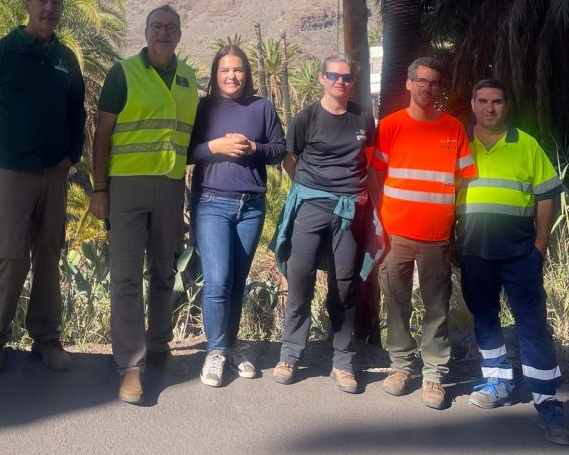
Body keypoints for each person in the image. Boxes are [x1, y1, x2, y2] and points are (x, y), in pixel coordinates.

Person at [0, 0, 86, 374]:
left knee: (49, 255)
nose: (49, 8)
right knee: (7, 255)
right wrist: (2, 152)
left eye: (56, 1)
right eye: (42, 0)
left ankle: (47, 340)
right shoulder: (2, 51)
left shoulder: (66, 59)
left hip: (54, 174)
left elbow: (77, 115)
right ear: (28, 4)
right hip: (12, 172)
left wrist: (71, 157)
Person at [89, 6, 199, 404]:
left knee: (164, 271)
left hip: (170, 187)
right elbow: (102, 133)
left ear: (180, 34)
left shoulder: (188, 78)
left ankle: (158, 348)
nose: (164, 33)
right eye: (157, 26)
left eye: (172, 27)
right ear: (146, 31)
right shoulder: (123, 72)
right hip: (127, 187)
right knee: (126, 277)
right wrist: (99, 188)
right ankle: (130, 367)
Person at [457, 79, 569, 445]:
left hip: (520, 255)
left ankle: (548, 400)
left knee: (533, 325)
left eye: (498, 102)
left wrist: (540, 245)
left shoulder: (526, 144)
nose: (490, 108)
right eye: (483, 101)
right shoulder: (460, 144)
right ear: (473, 104)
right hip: (475, 253)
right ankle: (498, 382)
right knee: (485, 319)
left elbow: (547, 195)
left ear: (507, 106)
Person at [372, 57, 476, 409]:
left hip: (436, 237)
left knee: (436, 307)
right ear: (408, 83)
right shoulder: (389, 126)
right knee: (397, 303)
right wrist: (379, 222)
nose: (427, 87)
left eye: (434, 82)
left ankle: (434, 374)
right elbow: (376, 175)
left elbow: (464, 182)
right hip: (395, 235)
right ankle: (400, 367)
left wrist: (453, 224)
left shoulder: (453, 129)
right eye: (421, 81)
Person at [270, 54, 375, 394]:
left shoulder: (363, 116)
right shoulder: (307, 118)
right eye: (333, 76)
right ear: (321, 78)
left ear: (352, 82)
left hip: (350, 212)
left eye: (346, 77)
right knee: (299, 279)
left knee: (344, 285)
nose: (340, 82)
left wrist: (373, 207)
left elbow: (370, 160)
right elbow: (290, 156)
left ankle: (343, 362)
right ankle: (289, 355)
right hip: (311, 208)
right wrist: (305, 187)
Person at [189, 45, 286, 387]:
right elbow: (188, 150)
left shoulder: (261, 108)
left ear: (247, 74)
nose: (232, 76)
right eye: (225, 70)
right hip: (211, 203)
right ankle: (214, 352)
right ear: (215, 75)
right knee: (217, 279)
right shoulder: (203, 108)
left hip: (251, 206)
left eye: (238, 70)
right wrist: (215, 147)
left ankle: (228, 348)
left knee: (236, 283)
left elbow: (279, 149)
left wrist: (255, 147)